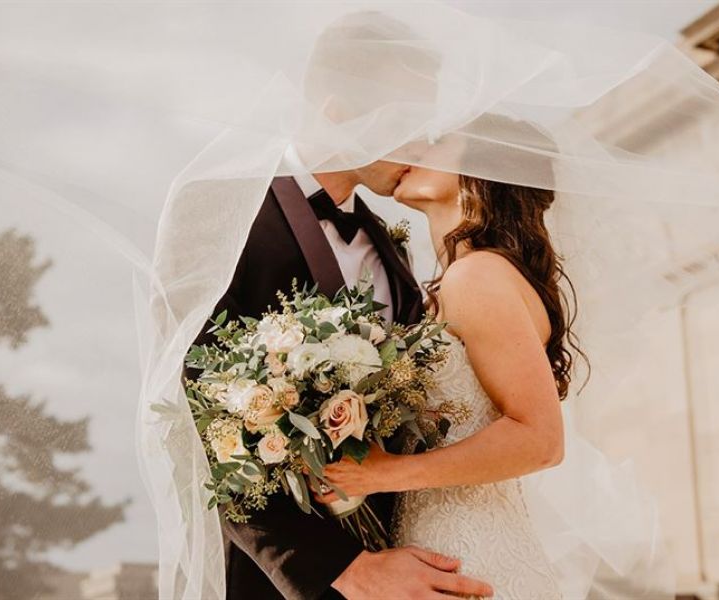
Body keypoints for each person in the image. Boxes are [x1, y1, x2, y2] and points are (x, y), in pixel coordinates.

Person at [190, 11, 494, 600]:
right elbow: (195, 419)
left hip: (409, 562)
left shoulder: (391, 249)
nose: (420, 144)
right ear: (337, 111)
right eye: (406, 121)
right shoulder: (220, 212)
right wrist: (344, 571)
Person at [321, 119, 579, 599]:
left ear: (482, 169)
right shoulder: (458, 279)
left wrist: (381, 473)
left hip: (468, 551)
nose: (413, 146)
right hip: (435, 544)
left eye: (438, 142)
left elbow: (541, 439)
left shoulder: (477, 277)